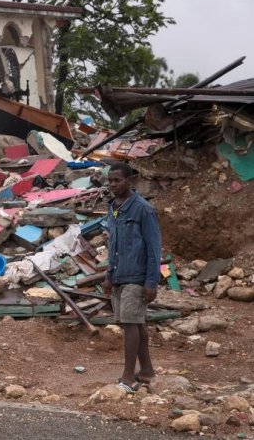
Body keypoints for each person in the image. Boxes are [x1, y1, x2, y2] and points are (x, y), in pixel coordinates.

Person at [102, 162, 161, 394]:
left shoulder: (143, 209)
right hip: (119, 275)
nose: (113, 185)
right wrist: (109, 276)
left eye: (117, 180)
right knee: (137, 324)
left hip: (137, 277)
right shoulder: (113, 208)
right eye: (110, 181)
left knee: (130, 325)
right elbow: (113, 245)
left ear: (130, 181)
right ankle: (146, 370)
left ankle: (128, 376)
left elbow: (154, 247)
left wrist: (151, 282)